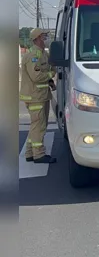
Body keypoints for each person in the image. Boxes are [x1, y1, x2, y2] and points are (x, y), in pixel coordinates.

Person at [19, 28, 57, 164]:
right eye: (44, 36)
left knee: (36, 125)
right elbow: (37, 76)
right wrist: (51, 75)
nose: (46, 38)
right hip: (35, 97)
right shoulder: (33, 56)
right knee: (39, 125)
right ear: (38, 38)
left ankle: (30, 153)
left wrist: (51, 82)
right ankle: (39, 154)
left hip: (41, 95)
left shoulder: (42, 54)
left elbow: (45, 69)